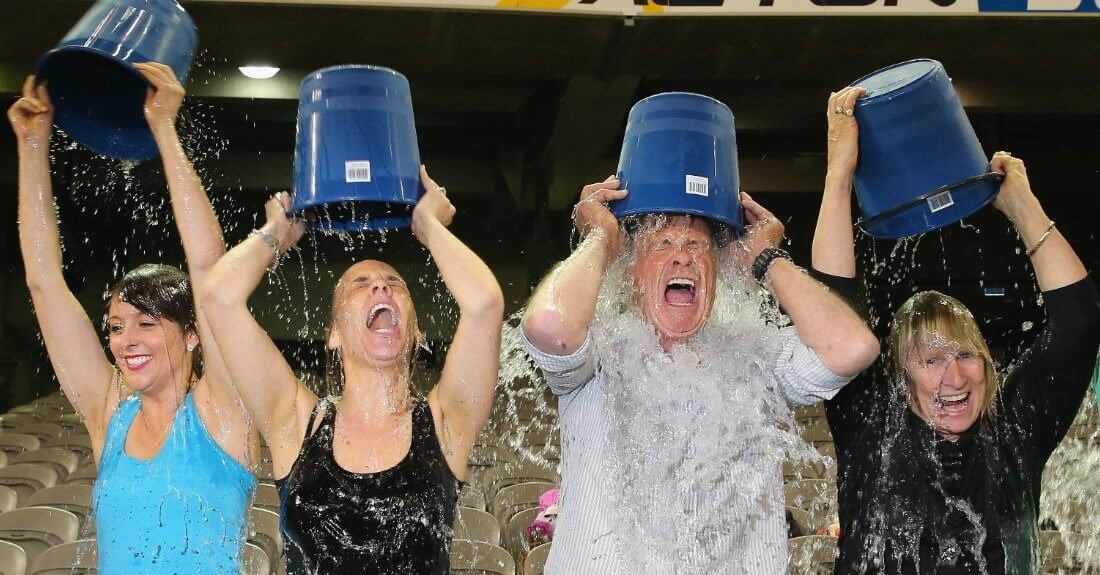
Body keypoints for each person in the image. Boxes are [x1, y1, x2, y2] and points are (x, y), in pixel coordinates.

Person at [520, 173, 880, 572]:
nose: (683, 257)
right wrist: (602, 239)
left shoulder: (756, 353)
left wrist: (764, 259)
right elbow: (548, 324)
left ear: (718, 271)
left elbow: (853, 347)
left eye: (697, 245)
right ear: (631, 273)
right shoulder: (600, 354)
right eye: (662, 244)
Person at [812, 86, 1100, 574]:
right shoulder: (872, 429)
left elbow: (1080, 322)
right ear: (901, 380)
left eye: (964, 355)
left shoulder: (1014, 432)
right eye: (930, 360)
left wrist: (1021, 205)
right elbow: (833, 308)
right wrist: (839, 172)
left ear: (988, 367)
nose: (954, 377)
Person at [9, 64, 258, 573]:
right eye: (117, 327)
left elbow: (208, 267)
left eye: (147, 323)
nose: (126, 340)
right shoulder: (109, 415)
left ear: (192, 333)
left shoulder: (223, 412)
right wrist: (32, 146)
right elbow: (43, 281)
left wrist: (164, 128)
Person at [200, 170, 504, 574]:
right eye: (361, 284)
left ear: (415, 330)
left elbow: (484, 305)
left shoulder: (447, 422)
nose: (381, 288)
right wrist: (278, 232)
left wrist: (429, 227)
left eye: (394, 282)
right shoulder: (294, 421)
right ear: (333, 336)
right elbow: (218, 297)